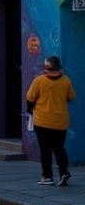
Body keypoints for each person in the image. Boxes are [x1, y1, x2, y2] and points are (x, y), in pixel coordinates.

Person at [26, 55, 76, 186]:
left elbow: (30, 98)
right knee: (59, 148)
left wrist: (30, 110)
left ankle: (47, 177)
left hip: (42, 121)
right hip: (61, 121)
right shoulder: (66, 80)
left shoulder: (39, 80)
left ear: (47, 67)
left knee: (45, 150)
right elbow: (71, 97)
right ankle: (64, 172)